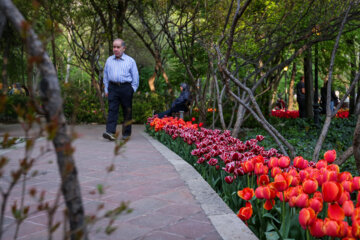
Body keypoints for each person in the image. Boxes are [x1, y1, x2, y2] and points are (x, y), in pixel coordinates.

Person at [102, 38, 139, 141]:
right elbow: (105, 75)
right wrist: (106, 89)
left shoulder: (130, 61)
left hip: (126, 88)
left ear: (123, 48)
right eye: (114, 47)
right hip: (112, 88)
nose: (115, 49)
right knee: (112, 110)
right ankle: (110, 132)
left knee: (127, 111)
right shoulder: (109, 60)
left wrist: (132, 89)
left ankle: (126, 133)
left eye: (118, 47)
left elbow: (135, 77)